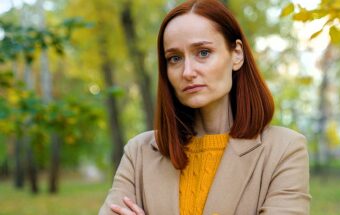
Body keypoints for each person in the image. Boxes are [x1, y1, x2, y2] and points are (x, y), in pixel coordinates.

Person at [99, 0, 311, 214]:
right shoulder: (139, 153)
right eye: (174, 58)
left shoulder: (284, 150)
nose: (187, 72)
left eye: (203, 52)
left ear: (236, 54)